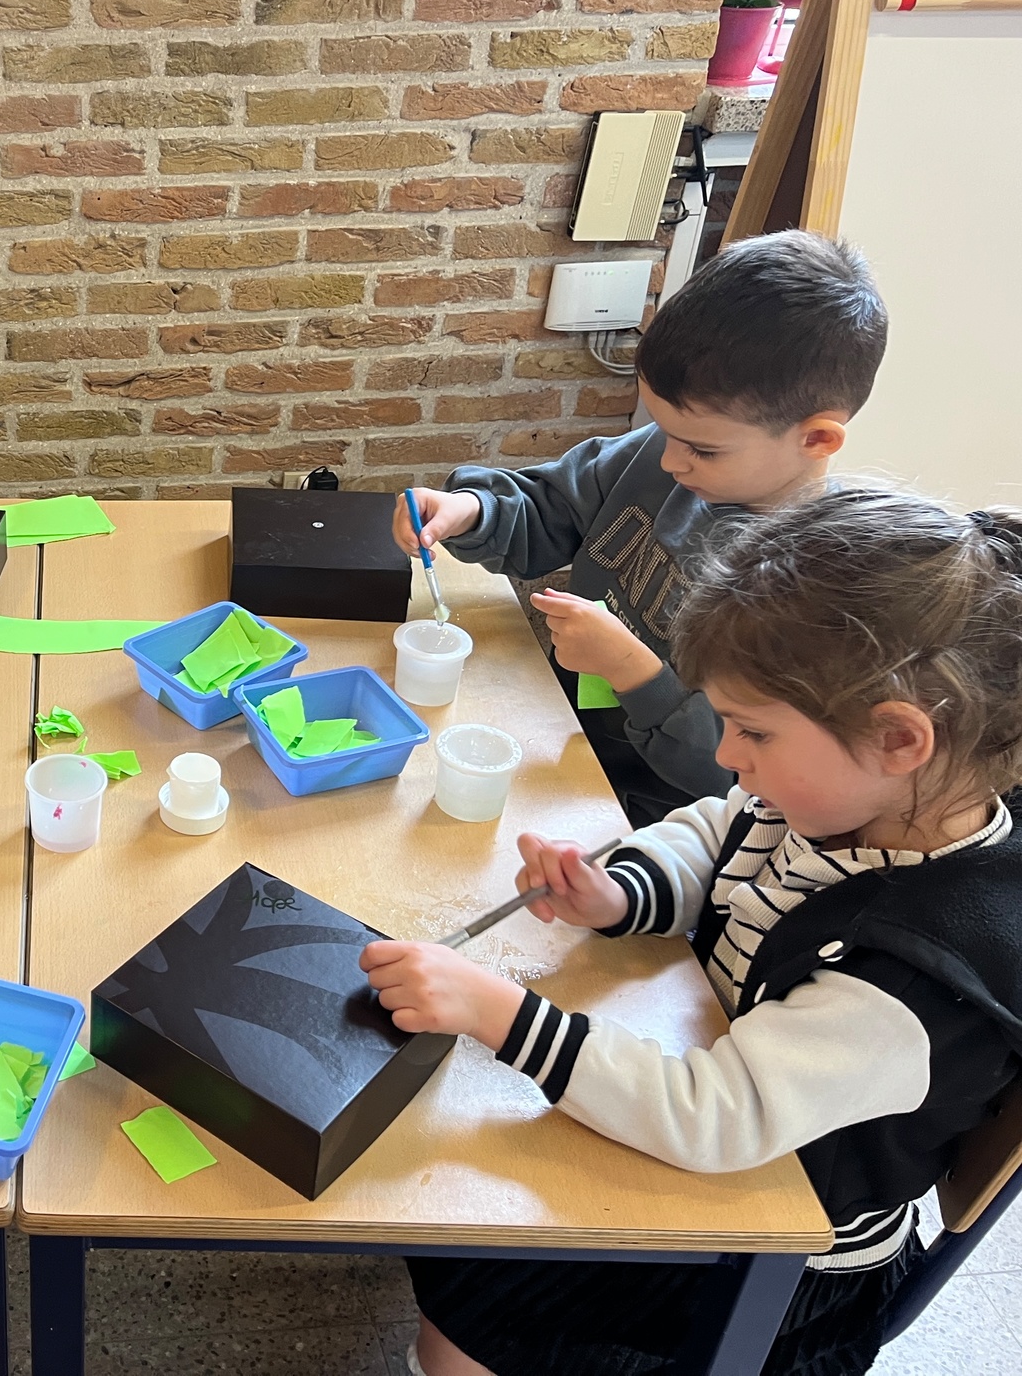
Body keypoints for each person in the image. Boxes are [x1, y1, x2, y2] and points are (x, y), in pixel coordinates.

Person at [361, 488, 1022, 1376]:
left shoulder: (917, 984)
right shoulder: (857, 800)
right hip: (719, 1112)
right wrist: (620, 892)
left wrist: (498, 1013)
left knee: (473, 1306)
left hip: (772, 1260)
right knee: (462, 1228)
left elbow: (715, 1117)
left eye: (753, 732)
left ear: (900, 740)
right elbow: (718, 831)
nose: (726, 755)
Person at [393, 231, 888, 824]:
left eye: (702, 449)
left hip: (663, 820)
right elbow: (551, 510)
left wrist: (632, 670)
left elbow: (740, 775)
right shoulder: (664, 453)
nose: (672, 461)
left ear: (817, 439)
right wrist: (474, 510)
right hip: (563, 737)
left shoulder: (822, 587)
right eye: (663, 430)